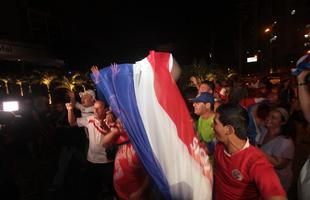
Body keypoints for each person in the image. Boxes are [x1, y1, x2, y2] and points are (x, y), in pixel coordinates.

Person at [213, 103, 286, 200]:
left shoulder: (256, 162)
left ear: (229, 129)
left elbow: (277, 196)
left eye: (215, 123)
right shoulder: (219, 147)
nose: (212, 126)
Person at [65, 100, 115, 199]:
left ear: (105, 110)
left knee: (112, 188)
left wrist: (106, 127)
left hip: (107, 162)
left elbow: (113, 137)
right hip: (91, 161)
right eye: (94, 108)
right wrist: (70, 110)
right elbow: (72, 122)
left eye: (98, 108)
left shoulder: (111, 120)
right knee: (94, 188)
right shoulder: (89, 119)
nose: (95, 110)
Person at [101, 112, 151, 200]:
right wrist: (116, 131)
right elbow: (104, 143)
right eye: (119, 122)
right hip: (119, 190)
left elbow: (151, 172)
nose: (119, 124)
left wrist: (140, 192)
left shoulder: (142, 145)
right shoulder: (121, 136)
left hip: (136, 193)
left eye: (123, 122)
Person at [257, 107, 295, 191]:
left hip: (277, 182)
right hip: (263, 178)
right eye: (268, 116)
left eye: (273, 117)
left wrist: (257, 150)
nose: (268, 119)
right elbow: (253, 117)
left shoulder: (285, 141)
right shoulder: (264, 129)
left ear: (283, 122)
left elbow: (279, 164)